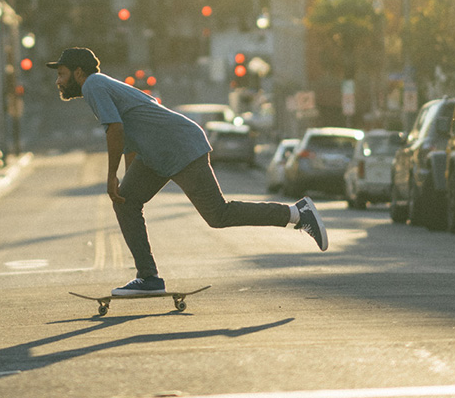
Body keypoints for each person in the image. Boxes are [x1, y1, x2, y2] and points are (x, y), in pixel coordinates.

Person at [49, 46, 328, 295]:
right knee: (126, 201)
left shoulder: (93, 85)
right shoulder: (102, 85)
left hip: (179, 146)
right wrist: (126, 182)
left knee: (218, 214)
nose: (59, 82)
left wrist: (111, 176)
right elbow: (130, 138)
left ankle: (296, 213)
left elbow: (116, 130)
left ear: (78, 72)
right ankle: (148, 277)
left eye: (61, 74)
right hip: (158, 152)